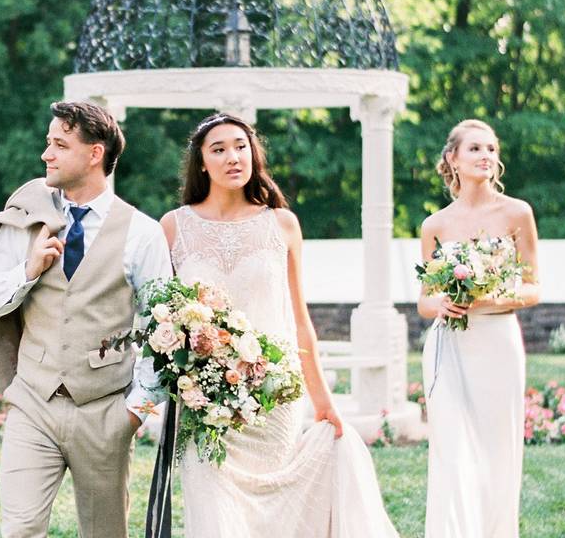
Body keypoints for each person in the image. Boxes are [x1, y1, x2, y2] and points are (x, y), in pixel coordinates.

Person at [158, 112, 397, 538]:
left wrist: (323, 401)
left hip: (273, 399)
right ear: (201, 163)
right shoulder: (174, 226)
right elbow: (163, 318)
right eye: (219, 149)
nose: (233, 156)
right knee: (213, 518)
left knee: (275, 520)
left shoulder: (281, 224)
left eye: (241, 146)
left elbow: (301, 322)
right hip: (203, 405)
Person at [0, 101, 171, 538]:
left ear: (95, 154)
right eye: (48, 143)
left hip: (106, 412)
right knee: (18, 529)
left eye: (60, 144)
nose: (47, 155)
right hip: (33, 404)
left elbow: (163, 335)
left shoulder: (142, 233)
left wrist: (136, 413)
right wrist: (27, 272)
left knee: (104, 533)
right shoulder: (27, 219)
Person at [418, 118, 539, 538]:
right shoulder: (434, 225)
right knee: (452, 448)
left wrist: (490, 299)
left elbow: (534, 287)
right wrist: (442, 302)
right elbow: (423, 300)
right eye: (475, 148)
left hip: (499, 342)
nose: (486, 156)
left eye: (490, 148)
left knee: (497, 447)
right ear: (452, 157)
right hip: (449, 345)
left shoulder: (517, 213)